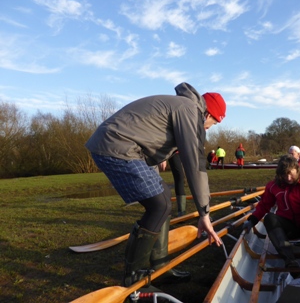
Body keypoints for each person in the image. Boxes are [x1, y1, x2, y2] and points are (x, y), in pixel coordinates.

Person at [85, 82, 225, 288]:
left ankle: (160, 267)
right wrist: (204, 213)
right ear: (209, 115)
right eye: (213, 124)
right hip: (116, 145)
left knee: (163, 200)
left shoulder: (184, 106)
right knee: (159, 205)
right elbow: (194, 163)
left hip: (129, 147)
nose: (209, 128)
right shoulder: (189, 110)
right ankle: (135, 278)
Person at [242, 155, 300, 276]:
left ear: (297, 170)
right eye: (284, 174)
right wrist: (252, 220)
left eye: (291, 173)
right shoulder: (273, 186)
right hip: (289, 229)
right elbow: (264, 205)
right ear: (279, 174)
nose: (288, 178)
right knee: (269, 218)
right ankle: (290, 260)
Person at [168, 152, 186, 217]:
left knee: (195, 177)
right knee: (179, 177)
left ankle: (203, 212)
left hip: (187, 149)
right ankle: (181, 212)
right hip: (174, 152)